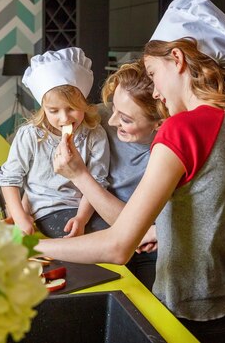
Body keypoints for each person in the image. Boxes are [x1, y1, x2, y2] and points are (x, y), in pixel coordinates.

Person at [37, 0, 225, 343]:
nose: (156, 92)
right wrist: (169, 229)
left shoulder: (182, 129)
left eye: (153, 73)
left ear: (177, 59)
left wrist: (33, 246)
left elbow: (118, 247)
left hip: (184, 317)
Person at [0, 47, 110, 238]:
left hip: (84, 208)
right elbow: (9, 179)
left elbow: (97, 182)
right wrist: (19, 217)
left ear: (84, 104)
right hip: (45, 209)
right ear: (43, 109)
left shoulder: (95, 134)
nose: (64, 118)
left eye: (72, 108)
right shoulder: (31, 135)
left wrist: (81, 218)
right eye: (54, 111)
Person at [96, 61, 167, 290]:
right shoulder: (97, 119)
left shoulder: (169, 153)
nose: (111, 121)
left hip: (151, 245)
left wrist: (79, 175)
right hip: (100, 231)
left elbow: (137, 228)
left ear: (159, 123)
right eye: (113, 107)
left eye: (126, 119)